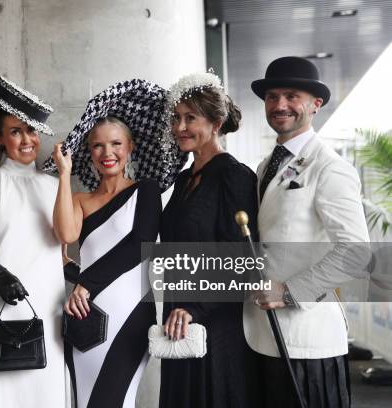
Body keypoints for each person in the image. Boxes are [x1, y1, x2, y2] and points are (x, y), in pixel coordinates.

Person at [244, 56, 370, 408]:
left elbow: (356, 251)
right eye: (272, 97)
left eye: (291, 95)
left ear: (315, 104)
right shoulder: (265, 166)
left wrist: (289, 292)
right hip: (263, 334)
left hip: (308, 339)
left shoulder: (331, 167)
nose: (280, 105)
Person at [0, 76, 67, 408]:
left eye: (32, 130)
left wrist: (91, 283)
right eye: (16, 131)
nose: (27, 139)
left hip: (47, 310)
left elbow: (62, 256)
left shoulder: (53, 186)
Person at [159, 72, 262, 408]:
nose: (180, 127)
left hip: (216, 321)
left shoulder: (234, 175)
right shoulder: (184, 177)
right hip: (178, 312)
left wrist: (195, 307)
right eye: (176, 118)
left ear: (216, 123)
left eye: (191, 118)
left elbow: (243, 260)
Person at [53, 115, 160, 408]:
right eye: (97, 146)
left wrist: (85, 283)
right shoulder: (79, 199)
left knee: (115, 400)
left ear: (130, 147)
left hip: (130, 313)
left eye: (116, 144)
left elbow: (141, 245)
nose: (107, 153)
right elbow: (65, 233)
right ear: (89, 152)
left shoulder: (147, 191)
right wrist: (64, 174)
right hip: (84, 314)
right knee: (85, 401)